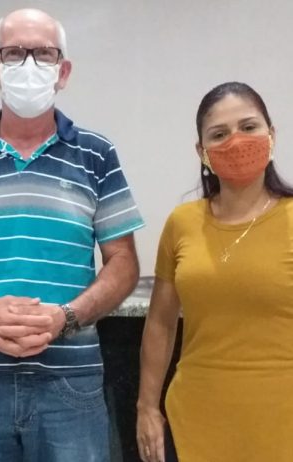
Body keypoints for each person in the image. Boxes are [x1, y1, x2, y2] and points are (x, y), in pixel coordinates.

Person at [0, 8, 144, 462]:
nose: (29, 64)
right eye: (14, 53)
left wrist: (64, 319)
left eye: (44, 54)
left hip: (70, 384)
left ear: (63, 72)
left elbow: (125, 262)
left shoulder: (97, 155)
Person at [136, 81, 293, 462]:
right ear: (201, 151)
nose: (236, 141)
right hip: (194, 420)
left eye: (249, 127)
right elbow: (160, 323)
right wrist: (147, 407)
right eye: (219, 134)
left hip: (282, 420)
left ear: (271, 134)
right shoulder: (182, 223)